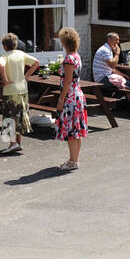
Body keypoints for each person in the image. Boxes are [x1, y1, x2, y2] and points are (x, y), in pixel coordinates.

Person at [0, 32, 38, 156]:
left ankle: (13, 143)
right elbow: (36, 63)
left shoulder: (4, 55)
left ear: (5, 46)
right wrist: (27, 75)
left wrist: (5, 80)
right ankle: (19, 143)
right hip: (23, 90)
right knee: (19, 116)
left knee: (10, 117)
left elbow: (0, 66)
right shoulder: (21, 54)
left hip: (10, 91)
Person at [54, 27, 87, 171]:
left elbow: (67, 81)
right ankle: (75, 159)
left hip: (70, 97)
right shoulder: (76, 56)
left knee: (71, 130)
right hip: (77, 94)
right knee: (76, 129)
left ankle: (73, 161)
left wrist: (61, 100)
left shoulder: (68, 59)